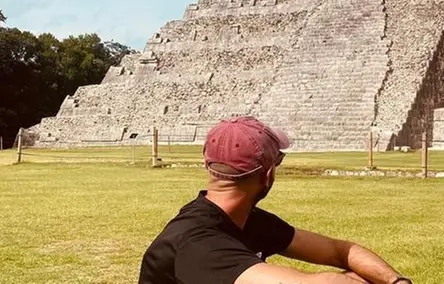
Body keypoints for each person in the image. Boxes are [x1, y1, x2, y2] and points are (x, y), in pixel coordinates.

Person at [138, 116, 412, 284]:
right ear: (267, 174)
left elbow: (341, 250)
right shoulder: (198, 242)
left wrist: (395, 281)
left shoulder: (245, 220)